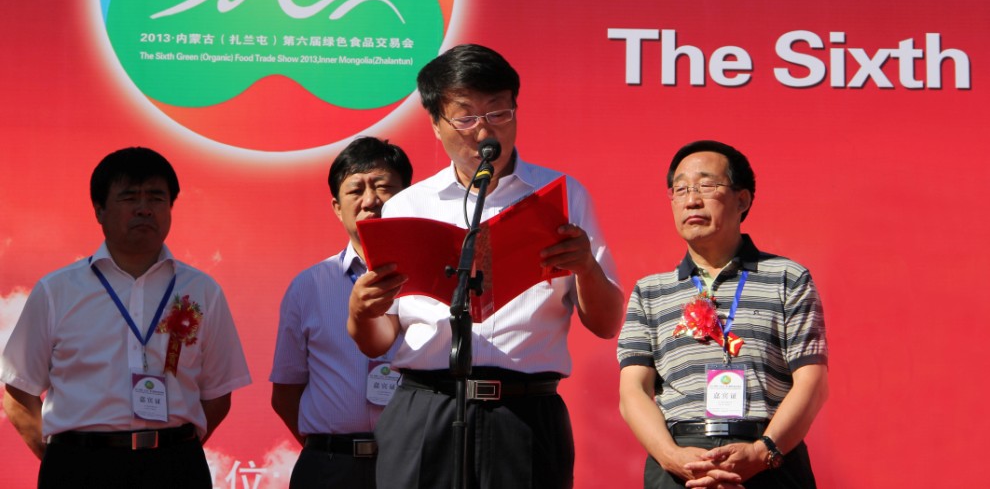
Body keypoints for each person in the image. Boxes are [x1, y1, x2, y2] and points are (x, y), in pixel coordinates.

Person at [348, 43, 625, 489]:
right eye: (465, 117)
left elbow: (607, 323)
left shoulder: (563, 196)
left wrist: (587, 268)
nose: (484, 131)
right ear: (435, 124)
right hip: (426, 410)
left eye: (499, 113)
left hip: (524, 415)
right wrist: (362, 313)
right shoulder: (406, 205)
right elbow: (378, 339)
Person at [1, 146, 251, 489]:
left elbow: (218, 395)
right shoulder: (57, 291)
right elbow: (18, 393)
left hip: (174, 466)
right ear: (99, 210)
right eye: (130, 197)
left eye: (156, 198)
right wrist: (63, 460)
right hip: (80, 466)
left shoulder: (202, 291)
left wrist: (172, 447)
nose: (144, 208)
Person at [617, 140, 829, 489]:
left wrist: (762, 452)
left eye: (706, 186)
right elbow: (633, 392)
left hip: (769, 456)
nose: (691, 200)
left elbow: (813, 383)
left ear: (742, 199)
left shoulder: (788, 278)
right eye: (681, 189)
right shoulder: (650, 292)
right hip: (679, 462)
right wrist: (673, 458)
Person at [270, 136, 414, 489]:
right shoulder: (308, 286)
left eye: (383, 187)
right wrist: (329, 450)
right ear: (337, 207)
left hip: (410, 465)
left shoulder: (437, 278)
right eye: (356, 190)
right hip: (329, 468)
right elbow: (286, 392)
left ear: (409, 196)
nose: (370, 200)